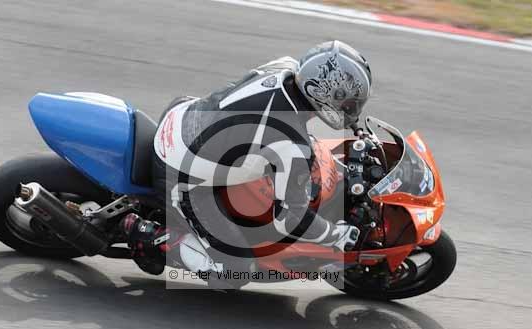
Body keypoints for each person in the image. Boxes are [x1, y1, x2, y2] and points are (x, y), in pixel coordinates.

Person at [121, 40, 372, 287]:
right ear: (326, 92)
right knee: (234, 271)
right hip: (179, 172)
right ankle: (148, 235)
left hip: (184, 114)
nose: (351, 109)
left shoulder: (284, 67)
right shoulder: (292, 143)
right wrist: (334, 235)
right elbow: (289, 220)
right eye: (349, 103)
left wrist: (356, 128)